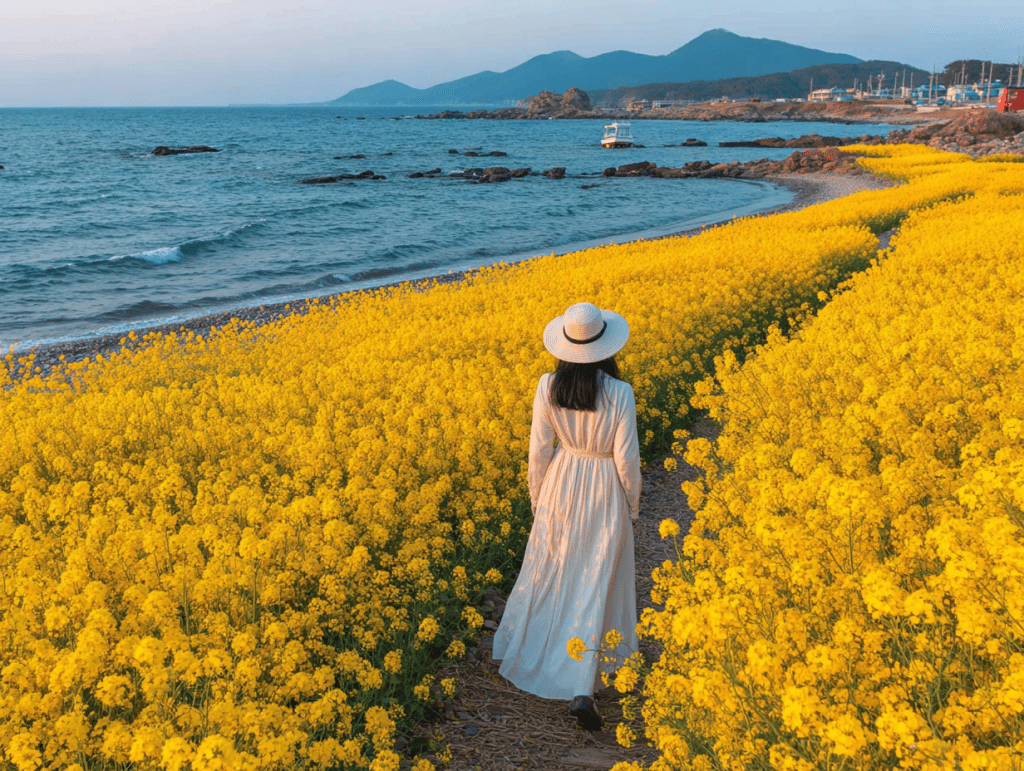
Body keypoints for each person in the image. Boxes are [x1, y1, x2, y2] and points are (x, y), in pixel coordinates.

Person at [492, 301, 641, 732]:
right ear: (606, 347)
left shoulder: (547, 385)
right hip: (603, 484)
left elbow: (538, 451)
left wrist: (538, 498)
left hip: (561, 480)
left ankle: (536, 652)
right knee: (596, 575)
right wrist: (632, 504)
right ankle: (583, 686)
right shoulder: (621, 392)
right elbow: (627, 459)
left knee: (551, 569)